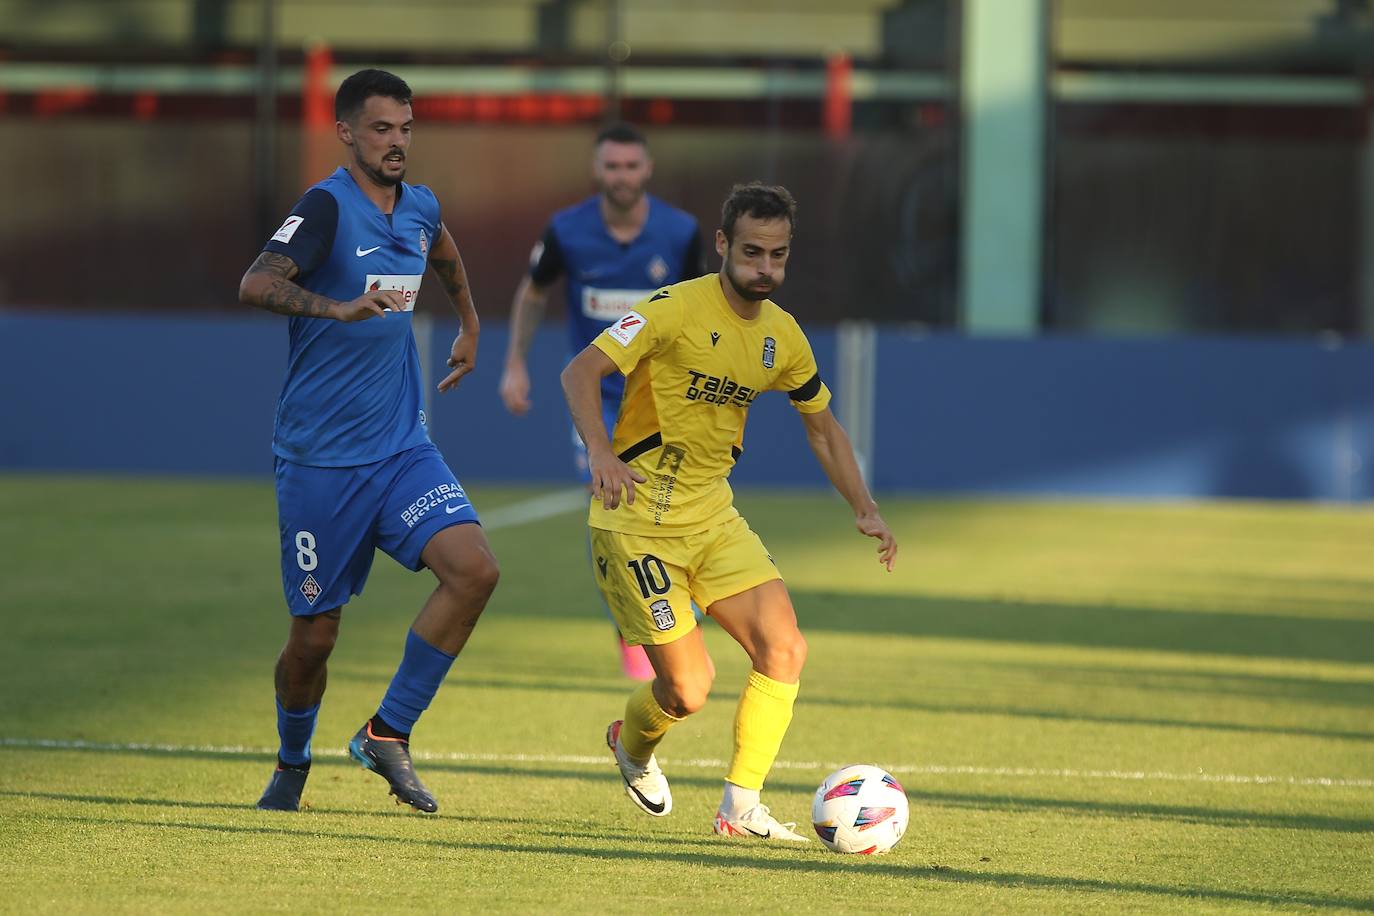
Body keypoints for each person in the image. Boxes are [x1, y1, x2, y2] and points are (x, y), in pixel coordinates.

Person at [560, 182, 897, 841]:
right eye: (751, 252)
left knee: (785, 646)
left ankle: (740, 807)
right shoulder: (670, 309)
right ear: (721, 245)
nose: (764, 268)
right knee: (688, 690)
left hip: (713, 520)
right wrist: (600, 452)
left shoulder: (783, 336)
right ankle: (631, 746)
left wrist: (865, 508)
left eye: (777, 255)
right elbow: (579, 372)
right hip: (636, 525)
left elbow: (823, 428)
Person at [238, 69, 499, 814]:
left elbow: (442, 250)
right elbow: (256, 283)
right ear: (347, 132)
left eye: (406, 129)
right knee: (315, 638)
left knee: (475, 570)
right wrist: (335, 308)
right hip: (320, 461)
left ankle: (388, 733)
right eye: (382, 129)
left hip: (401, 449)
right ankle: (292, 763)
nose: (396, 143)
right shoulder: (324, 207)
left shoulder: (419, 207)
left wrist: (471, 322)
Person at [499, 122, 704, 680]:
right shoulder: (567, 230)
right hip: (599, 403)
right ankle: (641, 637)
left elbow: (706, 308)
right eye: (611, 166)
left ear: (648, 170)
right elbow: (534, 291)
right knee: (619, 516)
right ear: (597, 171)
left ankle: (677, 614)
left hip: (668, 401)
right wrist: (515, 362)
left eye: (631, 166)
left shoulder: (681, 232)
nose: (621, 176)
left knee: (676, 513)